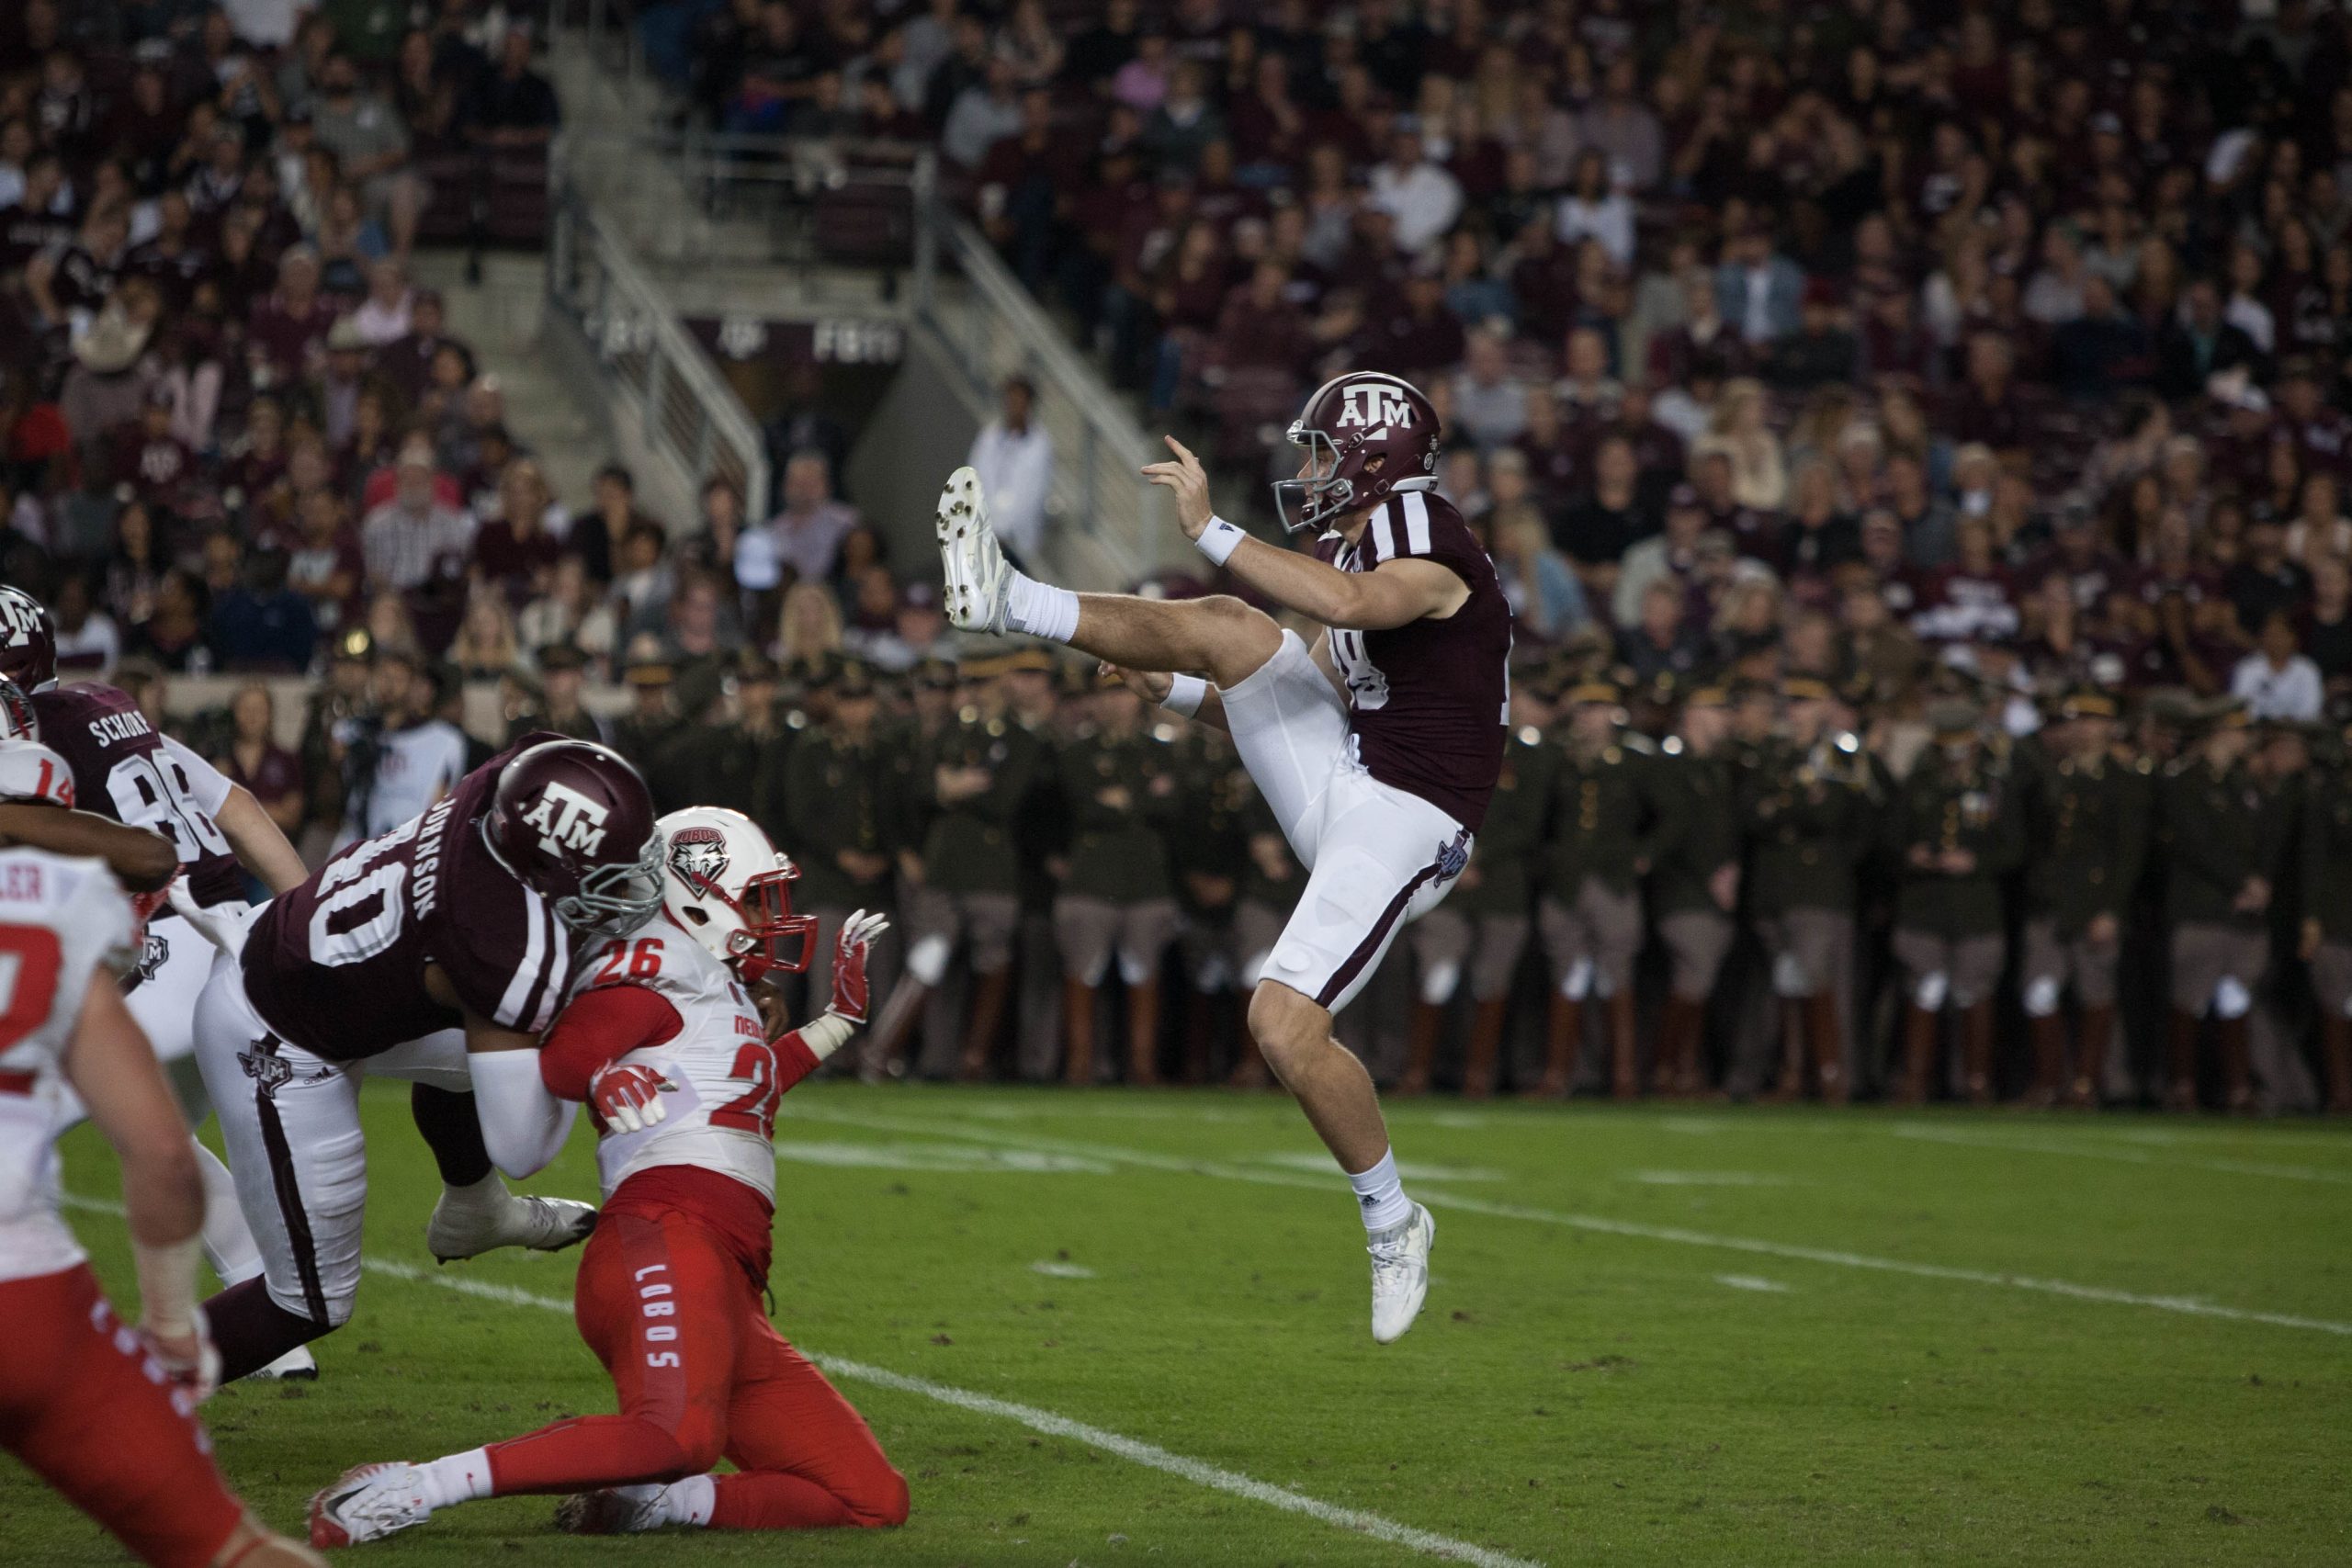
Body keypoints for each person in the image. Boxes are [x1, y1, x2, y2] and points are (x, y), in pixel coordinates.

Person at [937, 368, 1512, 1342]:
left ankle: (1391, 1219)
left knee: (1284, 1027)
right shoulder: (1364, 544)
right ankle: (1011, 601)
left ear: (1379, 456)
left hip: (1413, 817)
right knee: (1227, 629)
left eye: (1322, 450)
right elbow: (1285, 696)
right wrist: (1162, 686)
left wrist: (1213, 531)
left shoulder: (1425, 531)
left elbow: (1357, 604)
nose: (1307, 468)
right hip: (1352, 776)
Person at [309, 807, 906, 1546]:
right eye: (755, 896)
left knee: (871, 1496)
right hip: (664, 1238)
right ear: (695, 891)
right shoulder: (659, 968)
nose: (768, 917)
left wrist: (838, 1021)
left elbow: (742, 1086)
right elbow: (567, 1055)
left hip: (726, 1274)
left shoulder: (709, 987)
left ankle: (653, 1505)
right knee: (676, 1435)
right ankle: (412, 1485)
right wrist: (600, 1080)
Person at [179, 738, 657, 1382]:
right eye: (607, 872)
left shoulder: (500, 788)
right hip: (277, 1036)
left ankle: (474, 1209)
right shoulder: (498, 936)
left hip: (309, 956)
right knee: (308, 1301)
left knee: (498, 1041)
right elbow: (522, 1145)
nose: (627, 885)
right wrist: (597, 1052)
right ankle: (109, 1385)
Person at [0, 840, 325, 1568]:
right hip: (26, 1297)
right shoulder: (59, 895)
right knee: (231, 1548)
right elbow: (161, 1155)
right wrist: (173, 1324)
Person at [1886, 702, 2026, 1106]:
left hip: (1975, 907)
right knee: (1924, 990)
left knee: (1974, 993)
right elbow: (1890, 840)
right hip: (1924, 905)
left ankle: (1976, 1081)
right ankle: (1916, 1079)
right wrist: (1911, 856)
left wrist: (1976, 861)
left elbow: (2015, 848)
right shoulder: (1919, 785)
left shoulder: (1996, 788)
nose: (1954, 759)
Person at [2018, 689, 2148, 1108]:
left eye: (2092, 720)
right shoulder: (2051, 775)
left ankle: (2087, 1083)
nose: (2082, 728)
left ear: (2109, 727)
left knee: (2096, 995)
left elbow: (2129, 854)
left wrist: (2112, 909)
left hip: (2094, 903)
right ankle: (2048, 1081)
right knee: (2039, 992)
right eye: (2076, 720)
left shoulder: (2123, 782)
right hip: (2050, 902)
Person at [2157, 700, 2290, 1112]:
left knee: (2236, 998)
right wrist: (2242, 881)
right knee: (2190, 999)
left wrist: (2261, 883)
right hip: (2201, 906)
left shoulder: (2245, 783)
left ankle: (2237, 1088)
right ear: (2217, 731)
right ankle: (2183, 1086)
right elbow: (2194, 842)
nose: (2246, 738)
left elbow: (2266, 838)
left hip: (2242, 912)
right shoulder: (2183, 781)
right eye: (2238, 729)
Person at [967, 374, 1053, 563]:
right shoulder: (988, 438)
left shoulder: (1039, 446)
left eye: (1020, 401)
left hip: (1016, 543)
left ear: (1029, 405)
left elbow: (1032, 495)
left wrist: (1006, 530)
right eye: (1011, 400)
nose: (1015, 406)